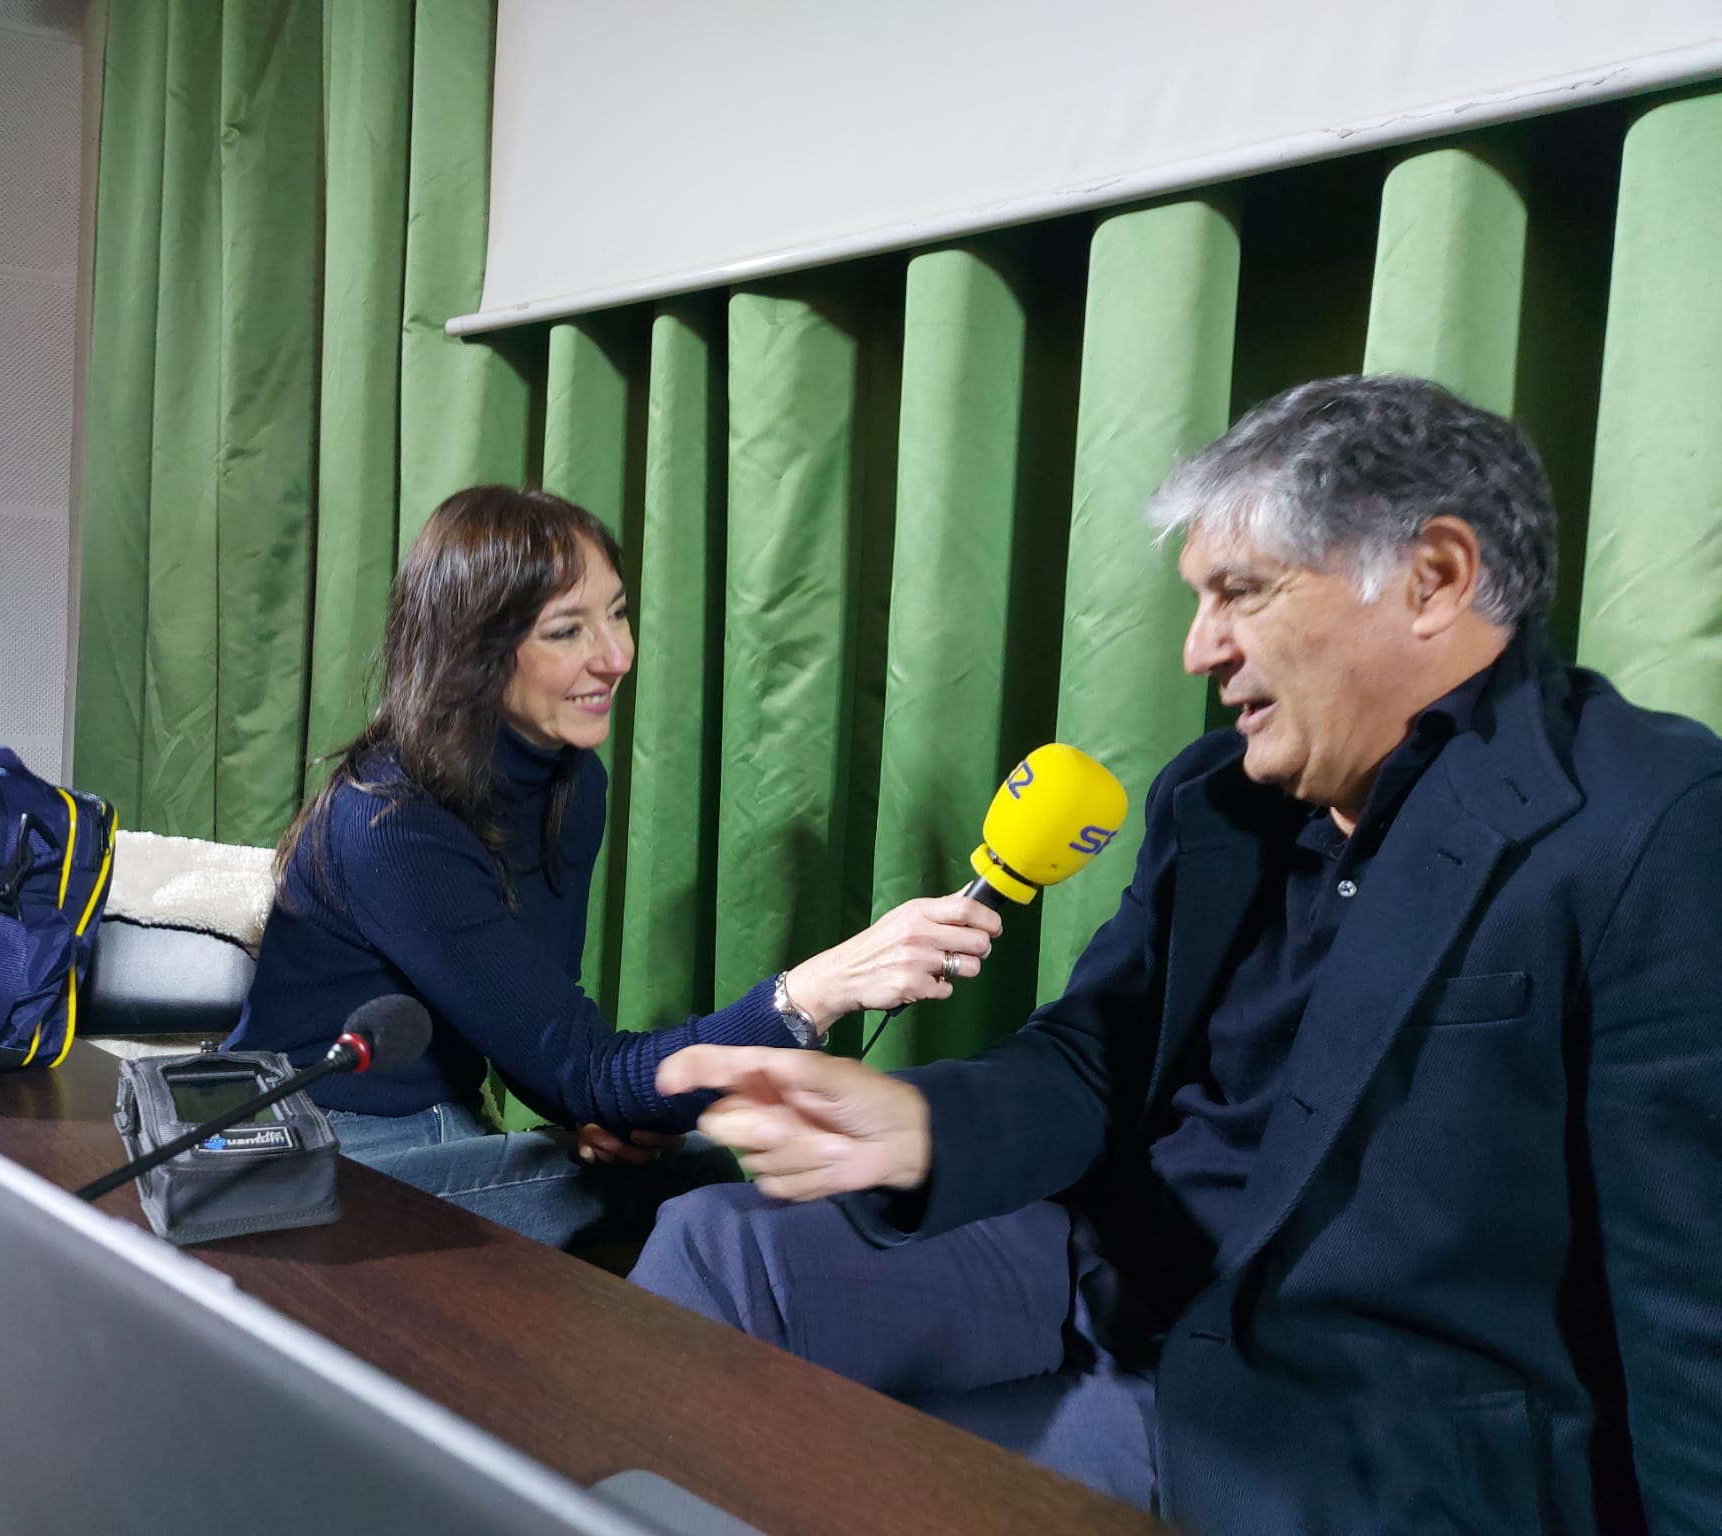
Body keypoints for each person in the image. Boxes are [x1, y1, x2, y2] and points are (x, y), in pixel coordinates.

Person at [630, 376, 1722, 1533]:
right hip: (1098, 1266)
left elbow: (1687, 1290)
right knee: (709, 1245)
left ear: (1432, 578)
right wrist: (919, 1126)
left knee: (863, 1496)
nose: (1198, 647)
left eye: (1237, 594)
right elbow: (1092, 1059)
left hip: (1320, 1409)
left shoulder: (1647, 818)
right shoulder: (1211, 798)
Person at [227, 485, 1000, 1253]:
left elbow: (551, 1033)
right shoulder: (390, 823)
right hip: (316, 1143)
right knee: (694, 1191)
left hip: (447, 1121)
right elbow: (581, 1069)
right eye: (567, 630)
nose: (617, 656)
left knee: (688, 1169)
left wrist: (606, 1114)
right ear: (475, 652)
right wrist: (815, 993)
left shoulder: (568, 781)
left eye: (618, 612)